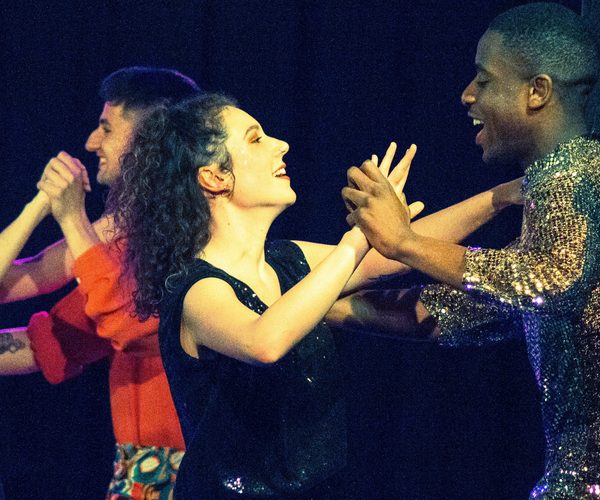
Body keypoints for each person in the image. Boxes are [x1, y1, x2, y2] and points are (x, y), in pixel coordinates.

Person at [109, 93, 524, 498]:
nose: (281, 145)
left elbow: (395, 254)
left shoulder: (286, 261)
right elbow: (263, 341)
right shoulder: (197, 290)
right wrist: (358, 239)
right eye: (256, 139)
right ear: (215, 177)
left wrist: (501, 197)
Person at [342, 3, 600, 497]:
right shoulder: (557, 181)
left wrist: (405, 242)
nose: (467, 95)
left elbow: (549, 281)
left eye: (483, 80)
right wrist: (315, 306)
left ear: (538, 92)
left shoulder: (576, 176)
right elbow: (464, 311)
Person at [0, 67, 202, 497]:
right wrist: (38, 207)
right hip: (141, 471)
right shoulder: (116, 236)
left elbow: (126, 319)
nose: (91, 142)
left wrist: (72, 216)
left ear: (152, 138)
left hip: (196, 472)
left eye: (106, 128)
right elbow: (36, 321)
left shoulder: (200, 235)